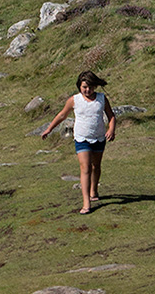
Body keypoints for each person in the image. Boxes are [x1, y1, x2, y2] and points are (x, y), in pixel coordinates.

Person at [40, 71, 116, 215]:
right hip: (81, 138)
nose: (88, 90)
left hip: (99, 137)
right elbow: (62, 115)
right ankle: (86, 203)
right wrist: (49, 129)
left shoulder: (101, 99)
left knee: (96, 166)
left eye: (91, 87)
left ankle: (94, 190)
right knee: (85, 168)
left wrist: (111, 130)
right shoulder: (74, 100)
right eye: (84, 87)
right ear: (79, 86)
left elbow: (111, 116)